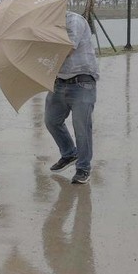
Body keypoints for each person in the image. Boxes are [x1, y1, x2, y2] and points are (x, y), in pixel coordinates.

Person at [45, 11, 99, 184]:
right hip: (59, 81)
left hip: (82, 81)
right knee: (51, 120)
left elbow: (67, 48)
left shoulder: (73, 20)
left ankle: (83, 168)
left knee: (81, 127)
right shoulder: (46, 26)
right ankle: (69, 153)